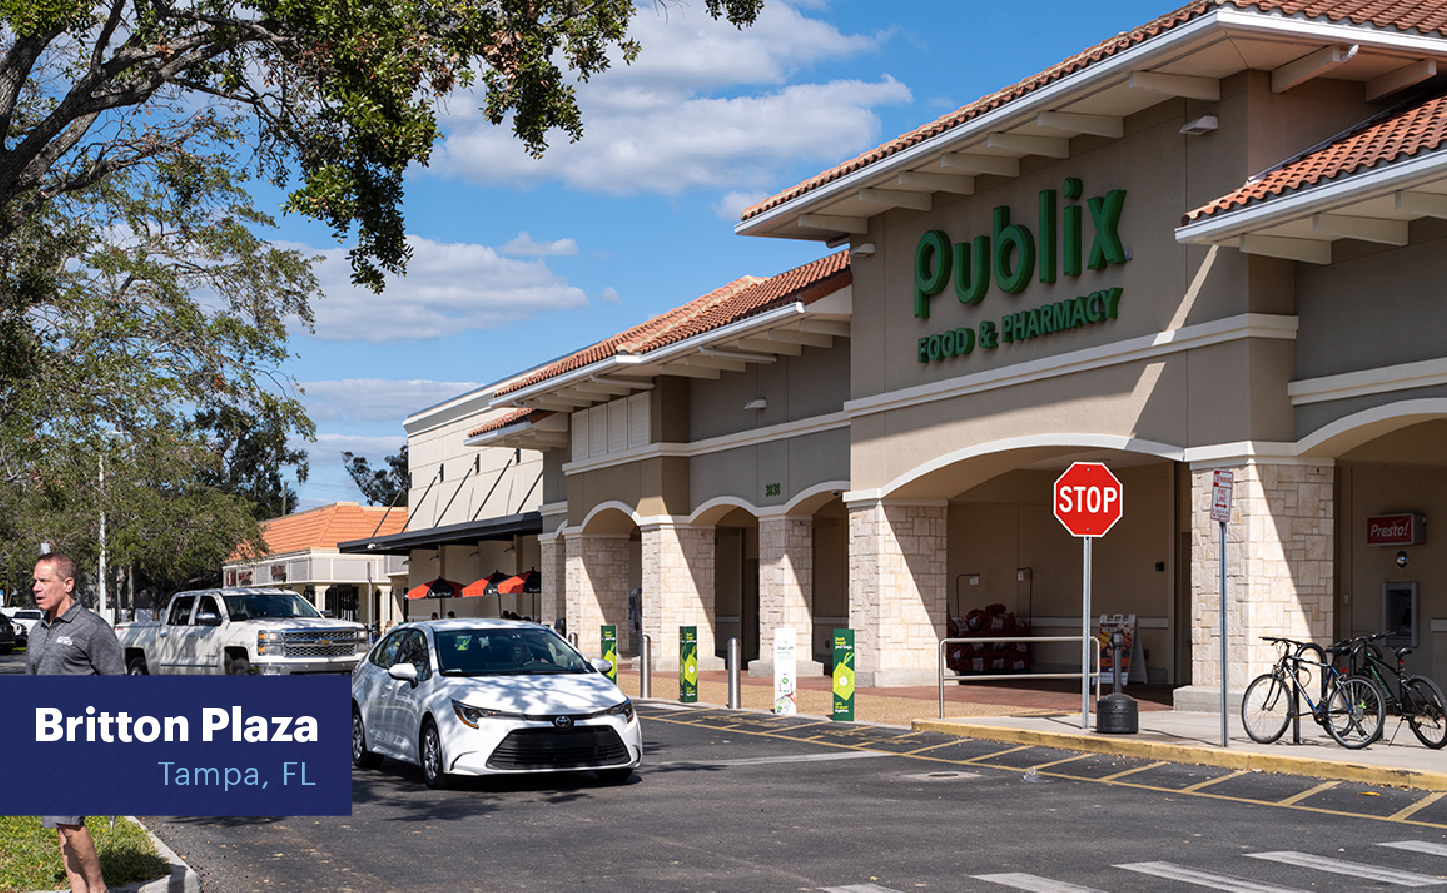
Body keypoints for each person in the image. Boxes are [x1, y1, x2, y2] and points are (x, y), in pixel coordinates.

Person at [28, 552, 124, 893]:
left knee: (70, 823)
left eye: (44, 581)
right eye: (35, 581)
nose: (36, 588)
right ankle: (78, 889)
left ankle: (98, 889)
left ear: (67, 584)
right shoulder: (38, 630)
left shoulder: (92, 629)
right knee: (59, 823)